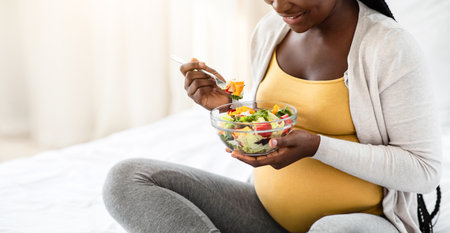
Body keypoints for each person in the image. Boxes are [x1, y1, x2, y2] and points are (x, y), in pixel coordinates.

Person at [102, 0, 442, 232]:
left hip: (355, 224)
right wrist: (227, 108)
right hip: (266, 215)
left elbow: (424, 172)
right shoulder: (270, 31)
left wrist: (316, 146)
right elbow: (270, 127)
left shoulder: (389, 48)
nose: (279, 5)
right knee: (128, 179)